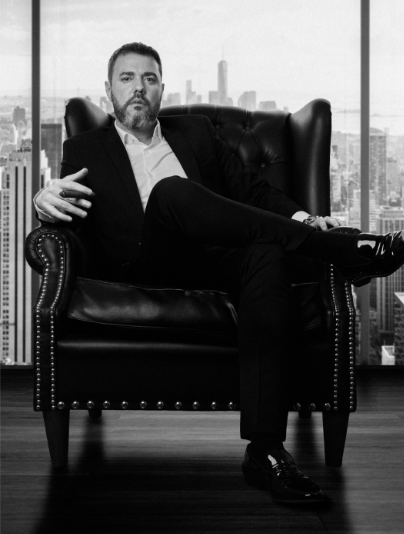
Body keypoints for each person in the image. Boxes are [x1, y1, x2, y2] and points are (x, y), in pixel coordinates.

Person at [34, 42, 404, 505]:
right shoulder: (85, 148)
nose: (139, 88)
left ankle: (266, 450)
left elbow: (252, 192)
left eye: (149, 78)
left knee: (266, 254)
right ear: (108, 90)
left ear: (162, 89)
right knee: (171, 191)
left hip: (213, 259)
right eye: (127, 78)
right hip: (144, 264)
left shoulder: (195, 133)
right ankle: (344, 250)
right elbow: (68, 216)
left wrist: (306, 219)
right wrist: (41, 204)